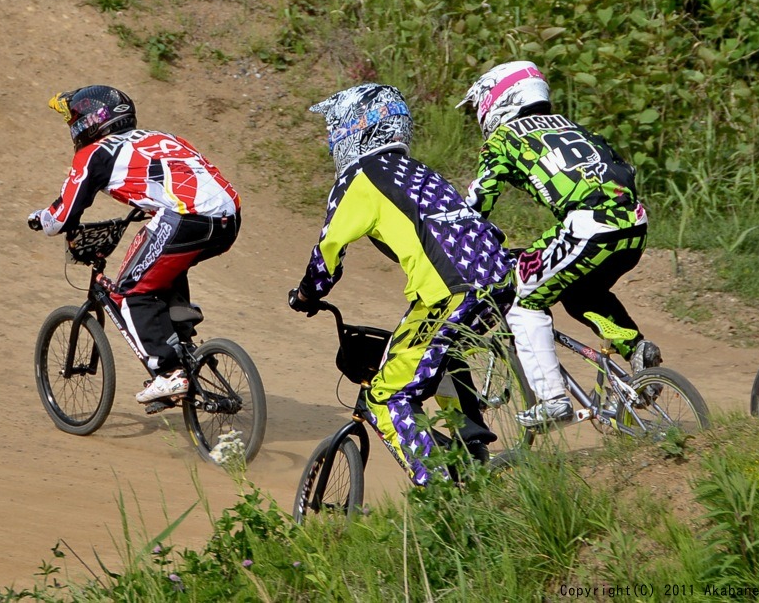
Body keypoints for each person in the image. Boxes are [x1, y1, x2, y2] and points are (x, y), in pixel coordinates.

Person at [287, 83, 514, 485]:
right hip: (497, 278)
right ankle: (472, 446)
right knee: (441, 353)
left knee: (386, 397)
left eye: (335, 128)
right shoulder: (419, 172)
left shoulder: (360, 178)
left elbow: (327, 255)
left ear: (354, 129)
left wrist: (306, 294)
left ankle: (442, 493)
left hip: (450, 292)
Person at [457, 61, 661, 429]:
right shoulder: (570, 125)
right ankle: (636, 350)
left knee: (524, 297)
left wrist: (456, 238)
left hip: (588, 226)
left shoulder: (505, 138)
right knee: (581, 293)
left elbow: (478, 201)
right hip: (635, 222)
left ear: (498, 98)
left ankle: (552, 400)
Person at [28, 85, 242, 405]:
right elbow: (184, 175)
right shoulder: (160, 136)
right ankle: (181, 326)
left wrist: (41, 219)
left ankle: (168, 372)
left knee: (130, 291)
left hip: (186, 217)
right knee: (164, 266)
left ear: (91, 121)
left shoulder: (94, 153)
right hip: (230, 216)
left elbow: (64, 215)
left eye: (74, 118)